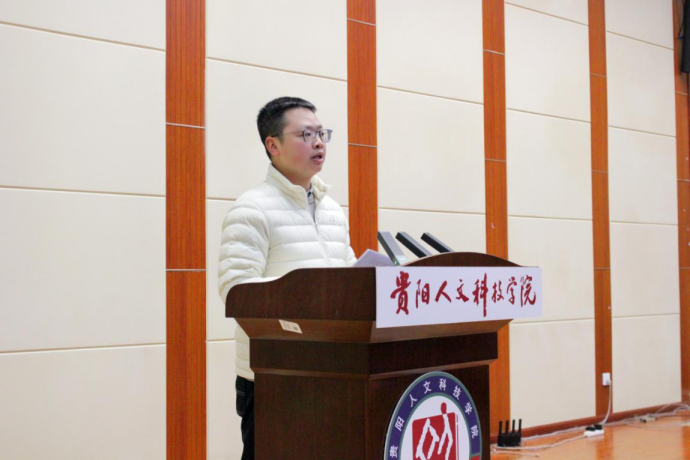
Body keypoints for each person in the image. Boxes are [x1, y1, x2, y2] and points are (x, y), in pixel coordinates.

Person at [218, 96, 356, 460]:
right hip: (273, 376)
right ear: (273, 145)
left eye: (322, 133)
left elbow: (349, 274)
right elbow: (236, 291)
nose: (319, 142)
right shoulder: (251, 208)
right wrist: (307, 302)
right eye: (306, 134)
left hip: (333, 369)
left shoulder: (332, 210)